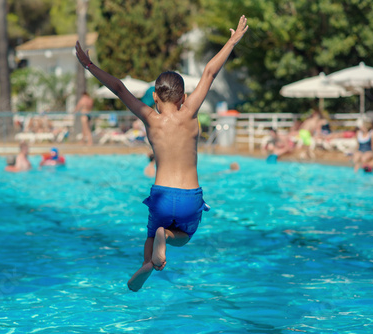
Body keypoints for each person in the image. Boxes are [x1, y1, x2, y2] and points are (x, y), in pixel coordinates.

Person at [76, 15, 248, 291]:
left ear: (155, 97)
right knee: (185, 236)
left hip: (162, 196)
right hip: (191, 195)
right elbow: (209, 73)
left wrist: (88, 65)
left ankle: (148, 261)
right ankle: (166, 236)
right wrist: (231, 41)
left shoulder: (150, 118)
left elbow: (119, 87)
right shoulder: (190, 111)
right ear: (182, 97)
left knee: (149, 236)